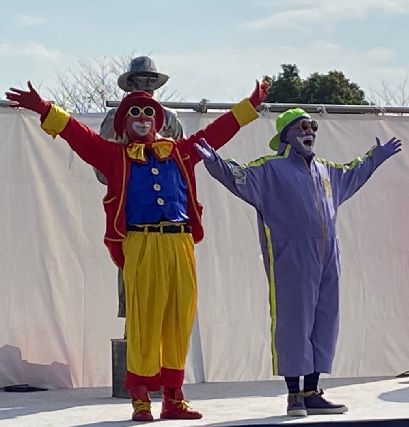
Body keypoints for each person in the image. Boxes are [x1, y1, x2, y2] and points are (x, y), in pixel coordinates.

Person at [6, 79, 270, 421]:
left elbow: (216, 133)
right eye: (135, 112)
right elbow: (77, 134)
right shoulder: (113, 155)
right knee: (144, 319)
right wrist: (43, 107)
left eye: (148, 111)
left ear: (158, 120)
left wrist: (249, 106)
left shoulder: (181, 151)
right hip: (141, 242)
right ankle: (141, 395)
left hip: (180, 242)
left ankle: (174, 397)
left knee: (179, 318)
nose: (143, 117)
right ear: (124, 123)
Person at [194, 108, 402, 417]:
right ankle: (294, 395)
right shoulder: (270, 169)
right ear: (286, 135)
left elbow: (353, 172)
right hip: (291, 257)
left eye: (313, 127)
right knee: (294, 322)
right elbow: (240, 176)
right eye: (302, 127)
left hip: (328, 256)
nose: (310, 132)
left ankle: (312, 392)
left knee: (325, 321)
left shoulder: (327, 170)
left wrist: (377, 157)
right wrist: (214, 162)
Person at [97, 56, 184, 319]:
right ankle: (133, 340)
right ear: (130, 83)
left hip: (169, 221)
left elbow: (182, 163)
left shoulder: (169, 119)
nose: (146, 86)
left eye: (151, 80)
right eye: (140, 80)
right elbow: (102, 171)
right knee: (134, 291)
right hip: (132, 214)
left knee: (170, 298)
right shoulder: (116, 117)